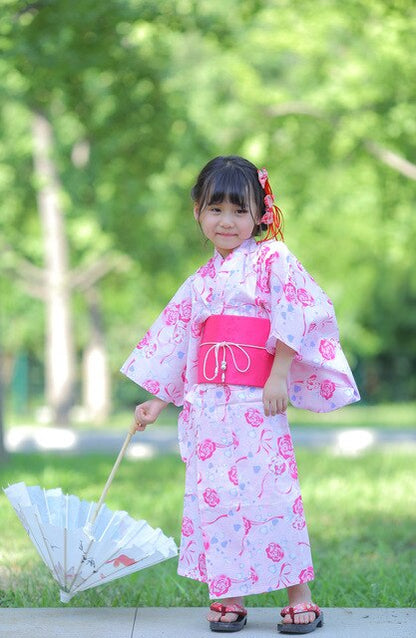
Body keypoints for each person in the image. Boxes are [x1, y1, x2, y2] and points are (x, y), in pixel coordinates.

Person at [120, 156, 359, 634]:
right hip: (208, 405)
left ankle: (299, 596)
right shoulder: (199, 282)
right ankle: (228, 596)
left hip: (256, 400)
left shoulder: (274, 260)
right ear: (197, 212)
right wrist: (158, 401)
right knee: (217, 500)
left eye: (239, 210)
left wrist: (280, 372)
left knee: (273, 494)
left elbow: (300, 308)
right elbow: (178, 342)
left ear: (260, 214)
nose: (226, 221)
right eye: (215, 209)